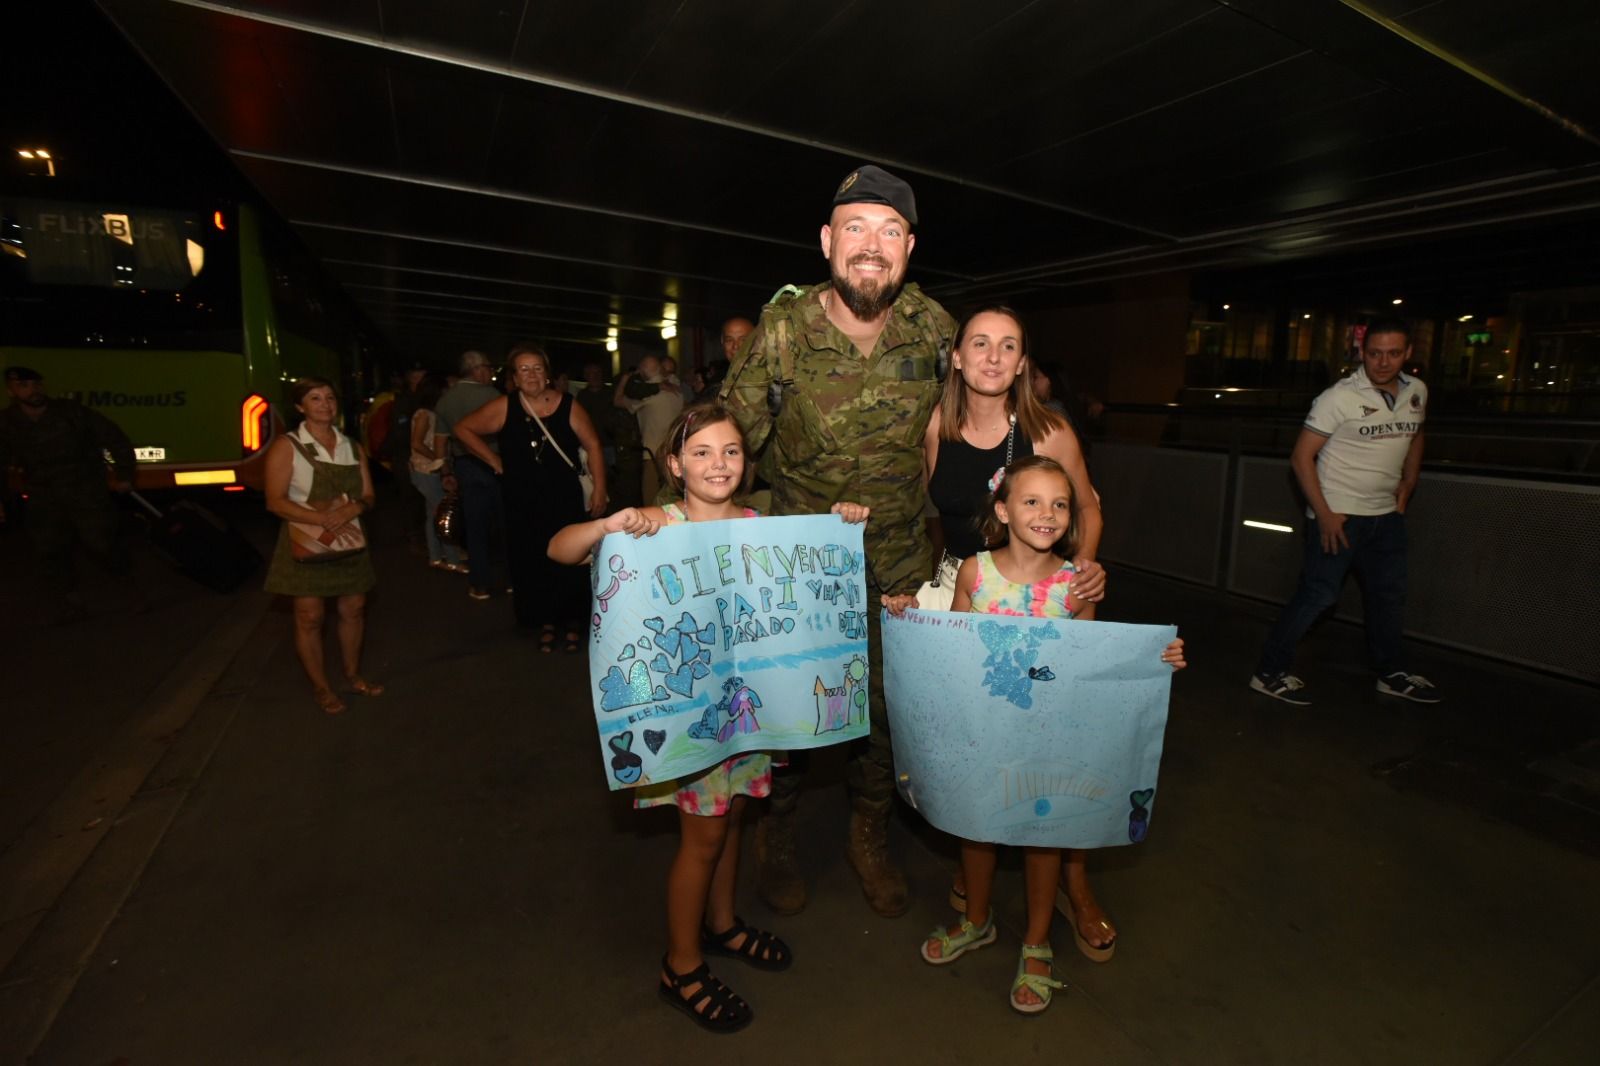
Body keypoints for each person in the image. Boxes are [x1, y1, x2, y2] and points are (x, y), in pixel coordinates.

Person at [548, 402, 870, 1032]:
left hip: (747, 716)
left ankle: (721, 926)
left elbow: (806, 568)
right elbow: (560, 550)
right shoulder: (651, 526)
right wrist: (607, 524)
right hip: (689, 723)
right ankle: (682, 963)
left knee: (735, 819)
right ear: (673, 464)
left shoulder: (758, 525)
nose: (717, 464)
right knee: (703, 840)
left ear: (745, 463)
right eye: (701, 452)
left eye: (729, 451)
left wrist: (842, 523)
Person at [720, 164, 953, 918]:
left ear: (909, 248)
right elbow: (727, 442)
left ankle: (868, 836)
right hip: (799, 566)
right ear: (826, 241)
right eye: (856, 228)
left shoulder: (935, 329)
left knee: (886, 711)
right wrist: (666, 532)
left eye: (890, 233)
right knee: (790, 708)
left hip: (896, 560)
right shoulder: (782, 332)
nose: (872, 247)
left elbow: (974, 421)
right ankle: (778, 834)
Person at [884, 455, 1185, 1014]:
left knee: (1043, 836)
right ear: (1002, 509)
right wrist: (906, 617)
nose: (1047, 514)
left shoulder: (1078, 585)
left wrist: (1154, 659)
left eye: (1060, 504)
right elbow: (951, 646)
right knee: (974, 828)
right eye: (1031, 501)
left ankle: (1038, 940)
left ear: (1070, 519)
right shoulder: (975, 573)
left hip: (1047, 739)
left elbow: (1087, 666)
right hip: (982, 735)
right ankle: (975, 919)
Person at [922, 306, 1117, 960]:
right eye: (979, 343)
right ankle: (977, 862)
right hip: (969, 590)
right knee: (977, 747)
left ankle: (1076, 884)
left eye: (1009, 346)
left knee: (1058, 753)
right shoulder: (935, 427)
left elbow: (1085, 506)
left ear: (1022, 361)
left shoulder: (1050, 429)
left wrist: (1084, 571)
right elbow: (929, 514)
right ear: (956, 357)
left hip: (1045, 597)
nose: (993, 356)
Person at [1250, 315, 1439, 706]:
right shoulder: (1339, 397)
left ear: (1407, 353)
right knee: (1318, 596)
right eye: (1374, 353)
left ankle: (1391, 673)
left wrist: (1409, 482)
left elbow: (1416, 433)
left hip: (1385, 518)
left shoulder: (1417, 391)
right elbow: (1302, 458)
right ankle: (1269, 672)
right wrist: (1324, 513)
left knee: (1388, 596)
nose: (1383, 362)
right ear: (1361, 353)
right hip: (1339, 517)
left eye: (1392, 354)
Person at [455, 344, 606, 647]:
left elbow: (593, 446)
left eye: (537, 368)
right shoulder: (504, 406)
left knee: (572, 558)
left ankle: (574, 619)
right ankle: (544, 619)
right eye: (524, 369)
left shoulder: (569, 405)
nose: (531, 374)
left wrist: (600, 488)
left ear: (547, 374)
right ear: (514, 376)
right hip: (521, 499)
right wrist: (495, 462)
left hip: (563, 496)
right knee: (531, 559)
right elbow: (463, 429)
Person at [262, 377, 382, 715]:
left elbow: (369, 495)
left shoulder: (351, 446)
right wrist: (323, 520)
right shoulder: (287, 446)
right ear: (300, 406)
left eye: (330, 397)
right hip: (306, 543)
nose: (325, 404)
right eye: (315, 398)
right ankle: (321, 686)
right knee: (309, 616)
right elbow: (275, 502)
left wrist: (353, 508)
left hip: (348, 540)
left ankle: (352, 674)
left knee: (354, 608)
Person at [0, 365, 138, 623]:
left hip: (85, 490)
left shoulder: (71, 413)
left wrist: (124, 475)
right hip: (44, 496)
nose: (33, 391)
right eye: (24, 386)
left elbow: (114, 437)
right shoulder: (8, 422)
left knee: (102, 543)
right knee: (50, 551)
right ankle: (66, 605)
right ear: (12, 391)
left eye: (36, 384)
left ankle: (128, 594)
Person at [434, 350, 505, 601]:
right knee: (504, 522)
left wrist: (445, 472)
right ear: (476, 370)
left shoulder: (445, 400)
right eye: (488, 367)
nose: (490, 373)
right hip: (495, 463)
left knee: (475, 526)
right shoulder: (493, 396)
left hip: (464, 464)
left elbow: (440, 441)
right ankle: (510, 579)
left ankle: (480, 584)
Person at [407, 373, 464, 573]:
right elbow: (416, 443)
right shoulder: (425, 414)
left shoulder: (428, 413)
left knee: (433, 514)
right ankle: (453, 559)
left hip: (425, 470)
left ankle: (436, 557)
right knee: (443, 513)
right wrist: (440, 459)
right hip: (426, 470)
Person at [615, 354, 684, 504]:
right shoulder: (676, 391)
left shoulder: (647, 397)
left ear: (642, 373)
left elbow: (617, 400)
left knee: (651, 500)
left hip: (652, 455)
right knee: (673, 499)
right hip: (674, 453)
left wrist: (625, 379)